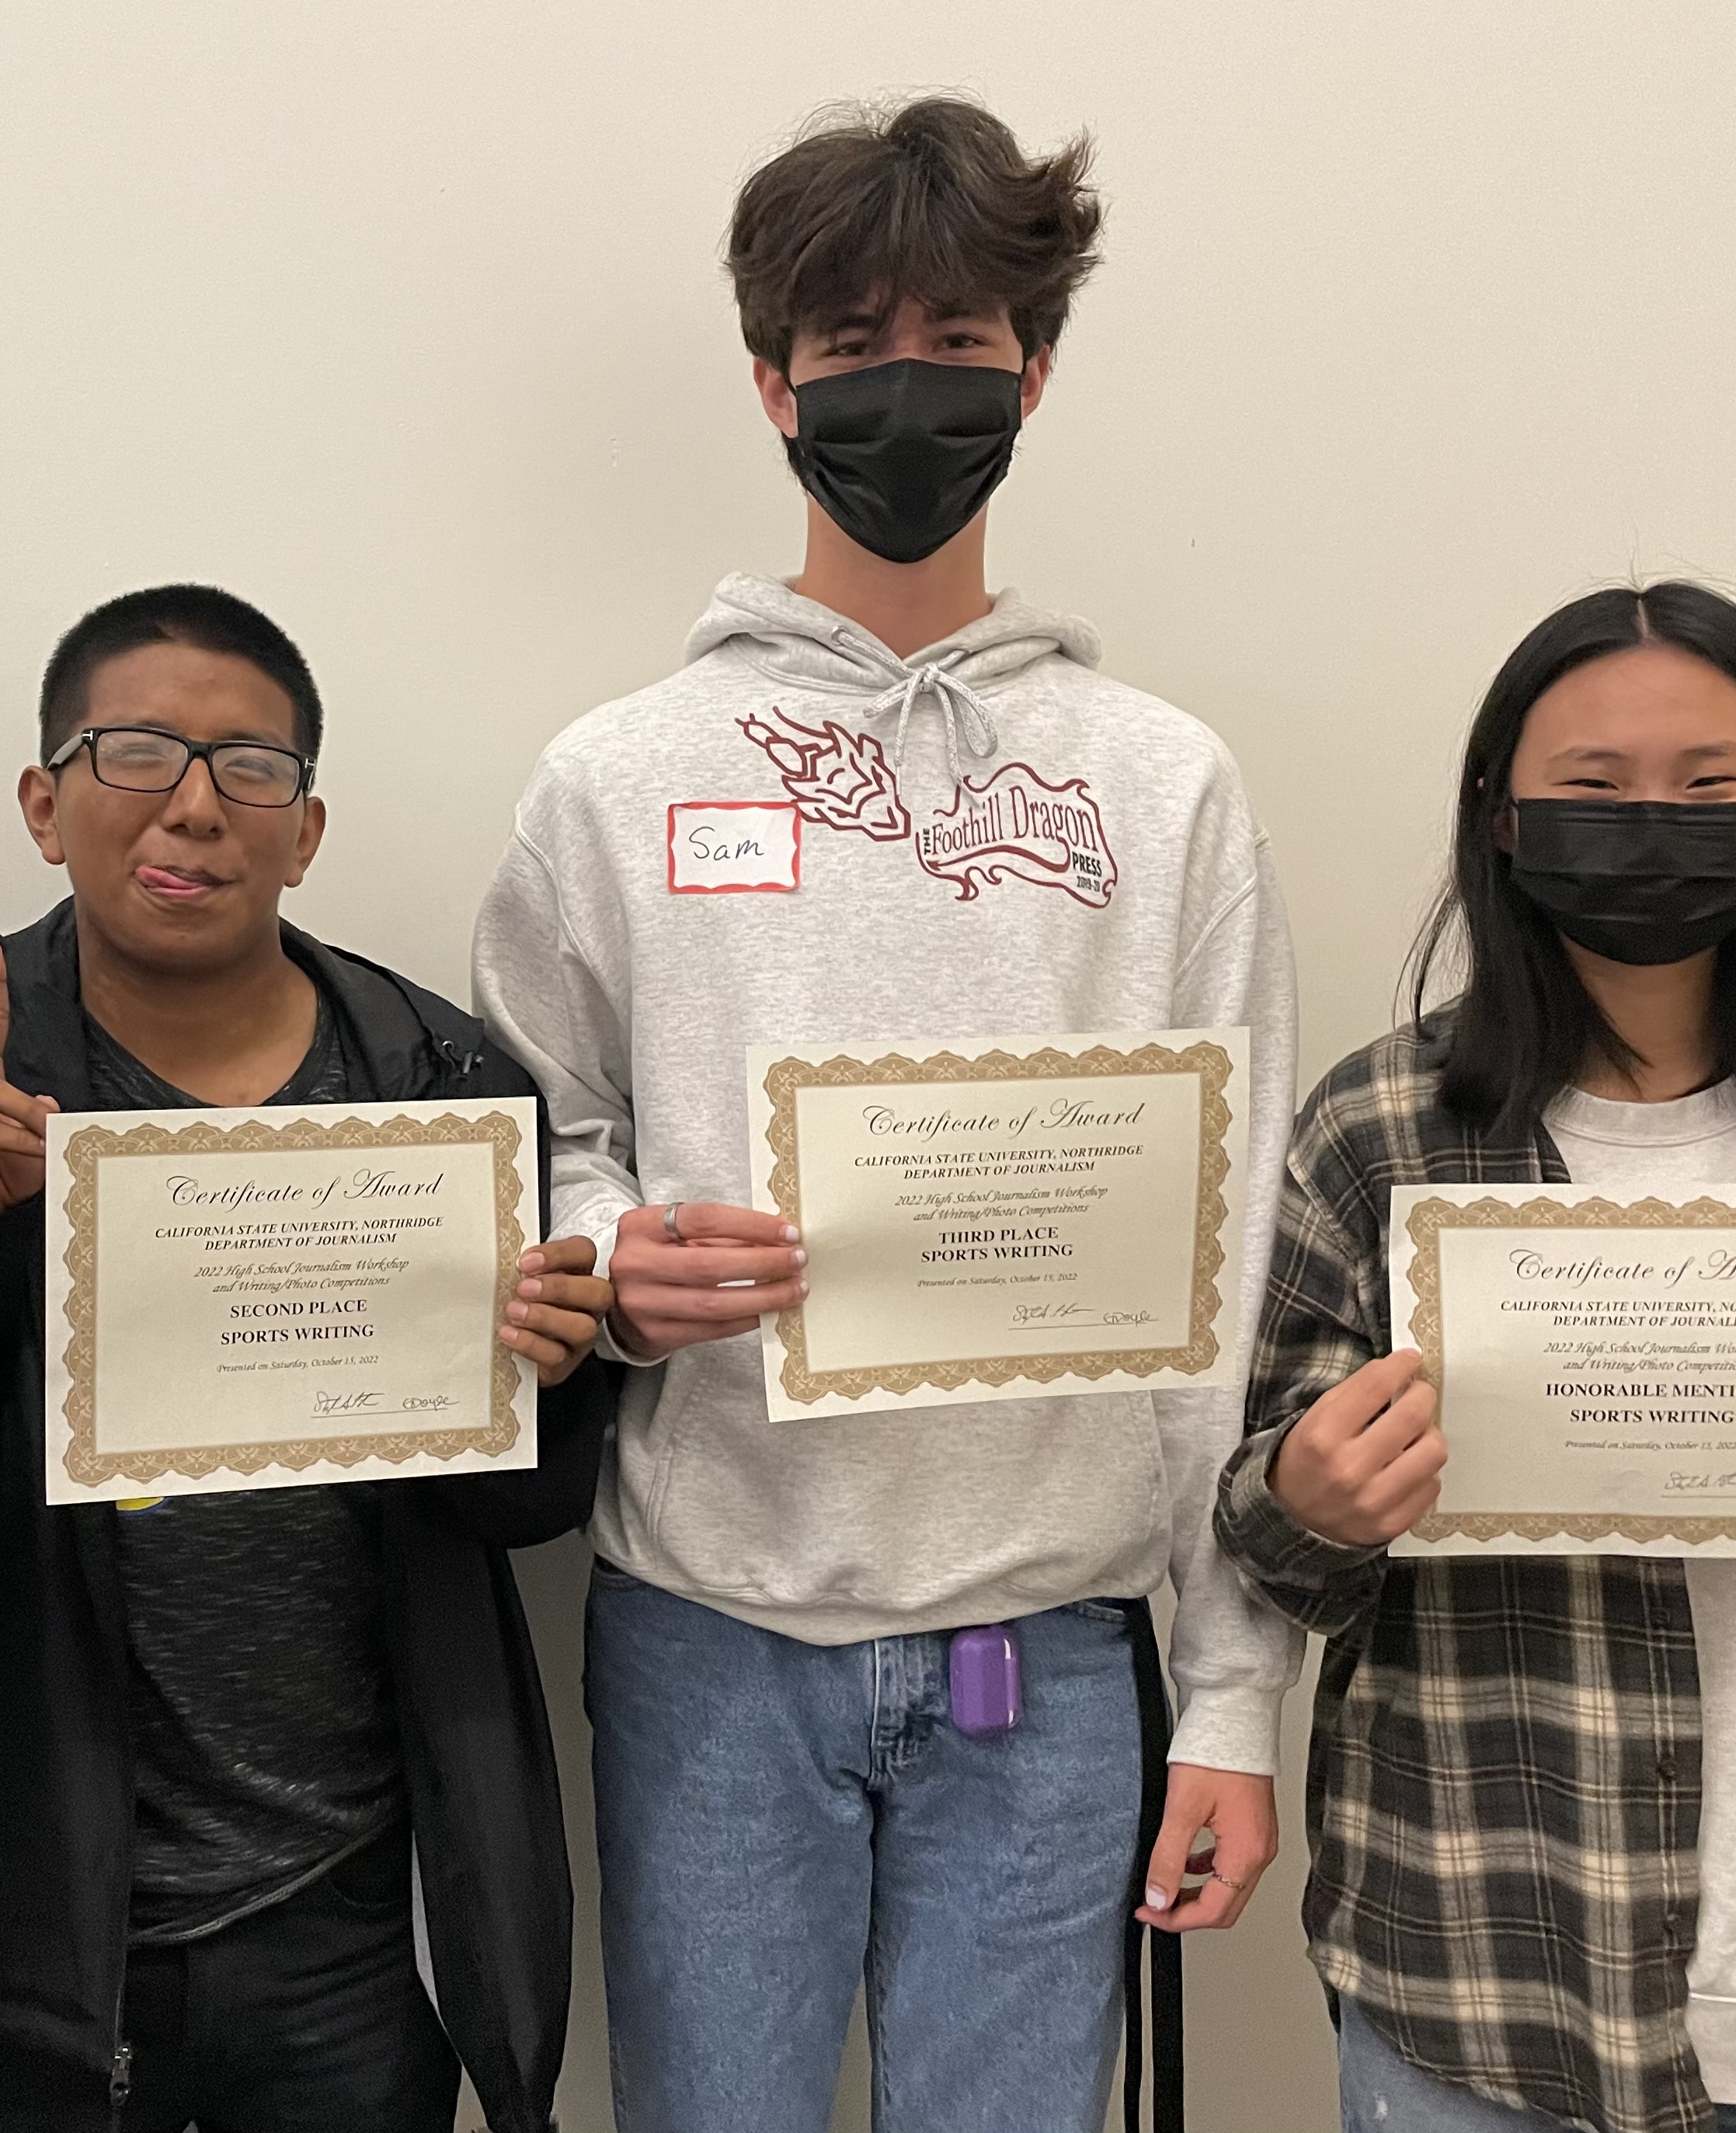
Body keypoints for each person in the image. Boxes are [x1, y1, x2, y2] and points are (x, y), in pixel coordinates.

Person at [469, 96, 1301, 2133]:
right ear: (770, 383)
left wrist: (1232, 1699)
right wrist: (606, 1260)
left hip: (1056, 1650)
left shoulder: (1161, 783)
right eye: (847, 349)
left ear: (1029, 367)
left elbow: (1229, 1266)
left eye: (950, 337)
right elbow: (530, 1131)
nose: (901, 387)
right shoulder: (613, 777)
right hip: (705, 1644)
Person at [0, 583, 618, 2133]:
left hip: (351, 1912)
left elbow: (514, 1517)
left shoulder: (438, 1086)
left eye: (250, 768)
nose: (193, 804)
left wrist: (560, 1374)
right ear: (45, 804)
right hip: (19, 1915)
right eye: (136, 754)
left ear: (304, 830)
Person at [1215, 582, 1736, 2133]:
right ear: (1500, 818)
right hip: (1482, 1949)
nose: (1653, 826)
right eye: (1592, 788)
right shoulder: (1380, 1132)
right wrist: (1307, 1493)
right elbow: (1271, 1545)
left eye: (1710, 788)